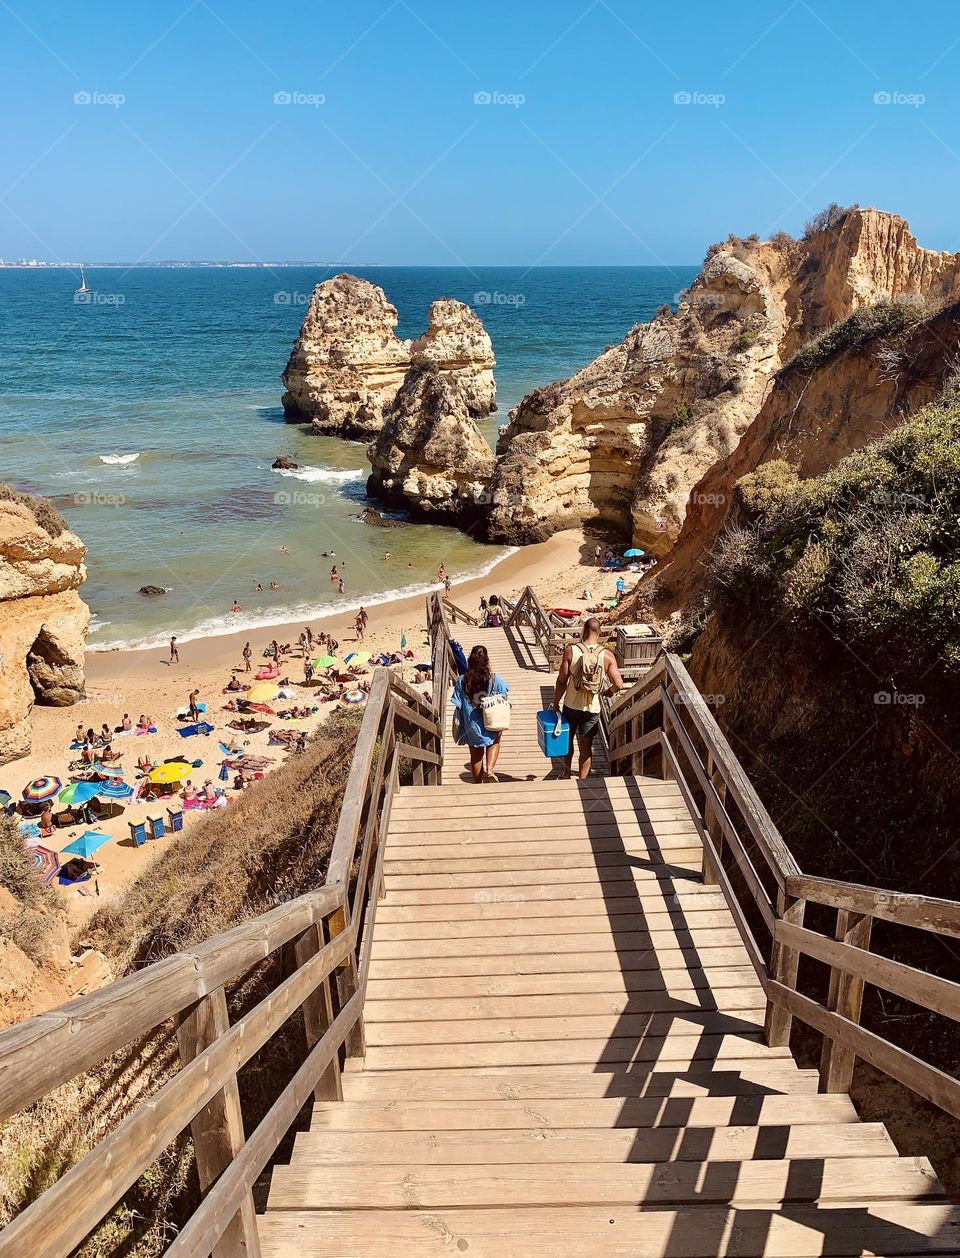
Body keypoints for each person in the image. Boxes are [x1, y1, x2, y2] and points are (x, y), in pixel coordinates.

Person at [552, 616, 624, 780]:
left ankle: (566, 774)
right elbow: (618, 684)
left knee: (567, 741)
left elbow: (562, 681)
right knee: (586, 748)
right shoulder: (607, 655)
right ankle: (583, 782)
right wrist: (608, 692)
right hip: (592, 709)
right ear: (599, 632)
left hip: (571, 706)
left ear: (583, 630)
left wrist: (556, 703)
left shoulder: (571, 651)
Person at [451, 644, 509, 784]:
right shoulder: (495, 679)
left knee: (476, 755)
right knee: (495, 740)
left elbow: (457, 703)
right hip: (492, 719)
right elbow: (505, 697)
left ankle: (478, 784)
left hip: (472, 724)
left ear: (470, 660)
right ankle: (490, 770)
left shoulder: (462, 680)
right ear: (487, 661)